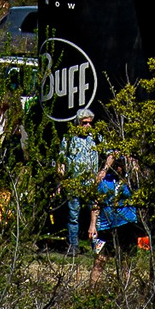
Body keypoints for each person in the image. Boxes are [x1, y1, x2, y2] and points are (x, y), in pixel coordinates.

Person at [62, 108, 102, 253]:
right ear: (78, 123)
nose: (87, 126)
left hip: (92, 183)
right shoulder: (68, 138)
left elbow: (110, 153)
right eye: (84, 123)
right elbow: (61, 159)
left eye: (90, 123)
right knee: (73, 216)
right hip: (74, 182)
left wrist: (102, 172)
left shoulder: (96, 137)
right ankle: (73, 246)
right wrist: (62, 180)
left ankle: (96, 247)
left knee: (95, 215)